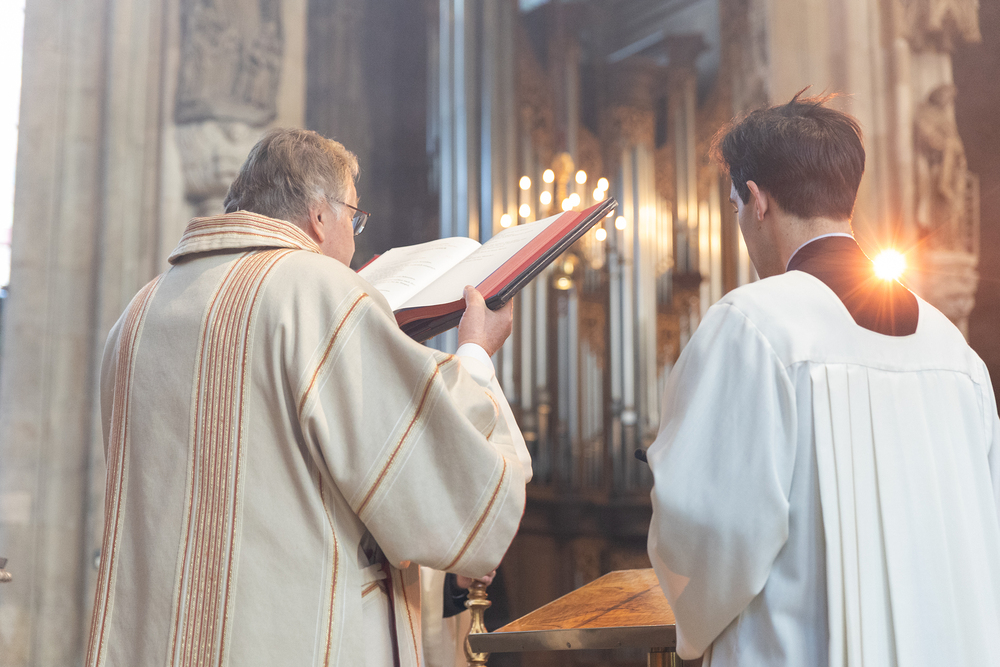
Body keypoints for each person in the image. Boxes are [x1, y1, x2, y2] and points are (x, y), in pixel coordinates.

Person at [85, 128, 532, 667]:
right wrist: (477, 353)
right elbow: (433, 488)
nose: (355, 241)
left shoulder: (138, 313)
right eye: (354, 219)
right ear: (320, 216)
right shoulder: (316, 290)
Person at [646, 93, 1000, 666]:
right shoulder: (954, 352)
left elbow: (707, 529)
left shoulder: (752, 326)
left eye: (736, 206)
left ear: (757, 201)